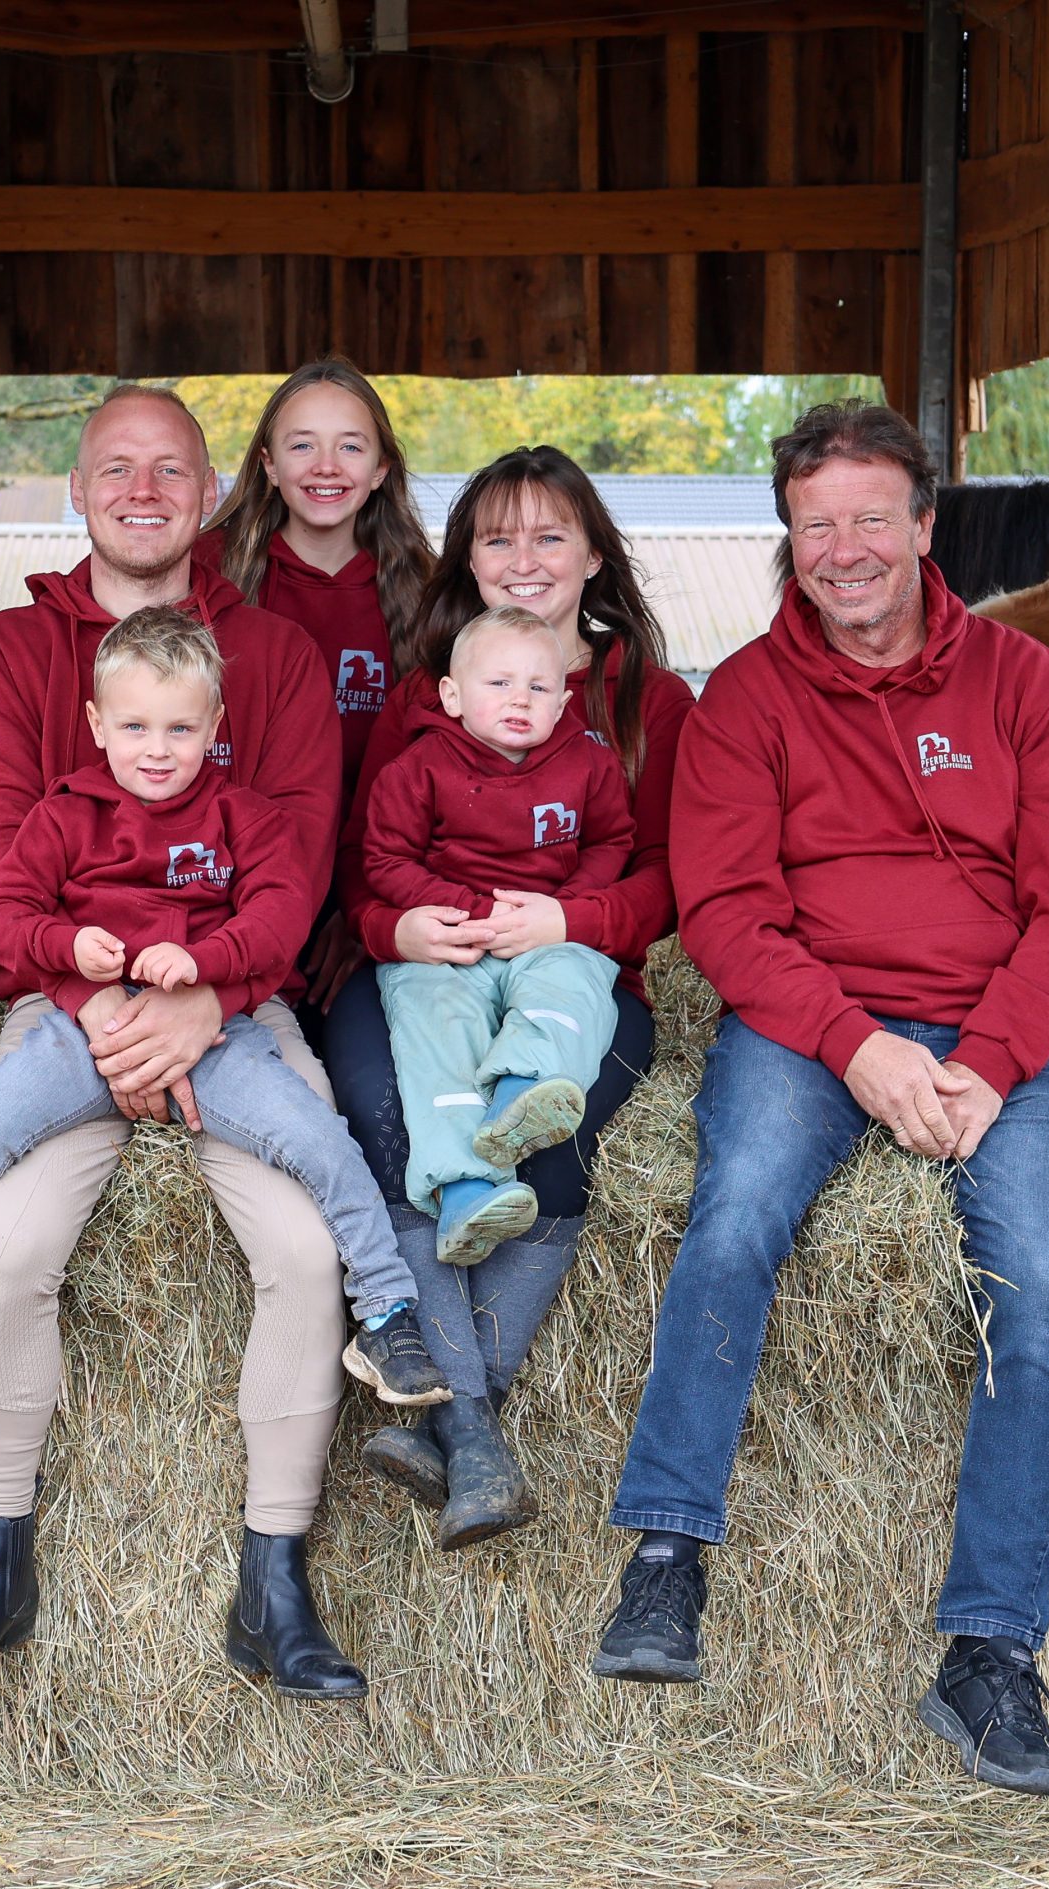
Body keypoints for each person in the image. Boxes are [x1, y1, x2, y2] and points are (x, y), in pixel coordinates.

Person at [590, 402, 1049, 1801]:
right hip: (809, 1024)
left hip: (993, 1027)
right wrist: (856, 1049)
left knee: (1041, 1280)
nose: (844, 551)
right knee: (740, 1208)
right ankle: (665, 1556)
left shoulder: (1023, 686)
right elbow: (726, 913)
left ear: (925, 526)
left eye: (870, 519)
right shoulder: (747, 703)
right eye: (816, 524)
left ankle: (990, 1656)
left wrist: (993, 1061)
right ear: (790, 539)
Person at [0, 385, 369, 1701]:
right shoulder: (2, 660)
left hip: (234, 1002)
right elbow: (0, 875)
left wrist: (206, 1006)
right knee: (15, 1247)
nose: (145, 489)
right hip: (63, 1011)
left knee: (301, 1248)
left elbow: (297, 863)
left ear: (213, 492)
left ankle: (275, 1583)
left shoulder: (271, 659)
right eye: (118, 467)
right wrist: (114, 1023)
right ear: (76, 492)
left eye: (172, 469)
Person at [0, 608, 447, 1409]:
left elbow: (280, 917)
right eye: (134, 727)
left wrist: (204, 962)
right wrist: (66, 946)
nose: (157, 750)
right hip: (78, 1036)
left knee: (319, 1139)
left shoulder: (246, 820)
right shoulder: (64, 817)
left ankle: (387, 1312)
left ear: (214, 726)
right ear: (96, 724)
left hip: (215, 1036)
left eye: (179, 728)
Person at [320, 446, 697, 1549]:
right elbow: (360, 865)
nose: (523, 561)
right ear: (465, 563)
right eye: (496, 538)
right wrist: (403, 928)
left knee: (543, 1140)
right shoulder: (426, 696)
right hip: (420, 965)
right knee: (393, 1123)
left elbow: (670, 876)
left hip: (575, 978)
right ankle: (478, 1429)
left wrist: (569, 921)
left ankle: (448, 1413)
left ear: (593, 556)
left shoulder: (650, 703)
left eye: (549, 536)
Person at [360, 604, 634, 1270]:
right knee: (433, 1031)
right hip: (449, 943)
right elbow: (385, 860)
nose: (520, 700)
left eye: (539, 689)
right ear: (451, 695)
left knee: (578, 983)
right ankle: (466, 1189)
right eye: (498, 684)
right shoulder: (418, 769)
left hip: (539, 931)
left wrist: (562, 906)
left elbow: (613, 841)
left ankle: (524, 1094)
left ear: (564, 700)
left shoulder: (587, 765)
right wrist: (462, 910)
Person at [200, 358, 438, 1021]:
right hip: (224, 890)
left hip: (374, 894)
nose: (325, 466)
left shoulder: (432, 594)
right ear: (268, 465)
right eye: (302, 444)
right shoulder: (204, 572)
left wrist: (366, 913)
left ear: (382, 468)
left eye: (350, 446)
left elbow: (440, 776)